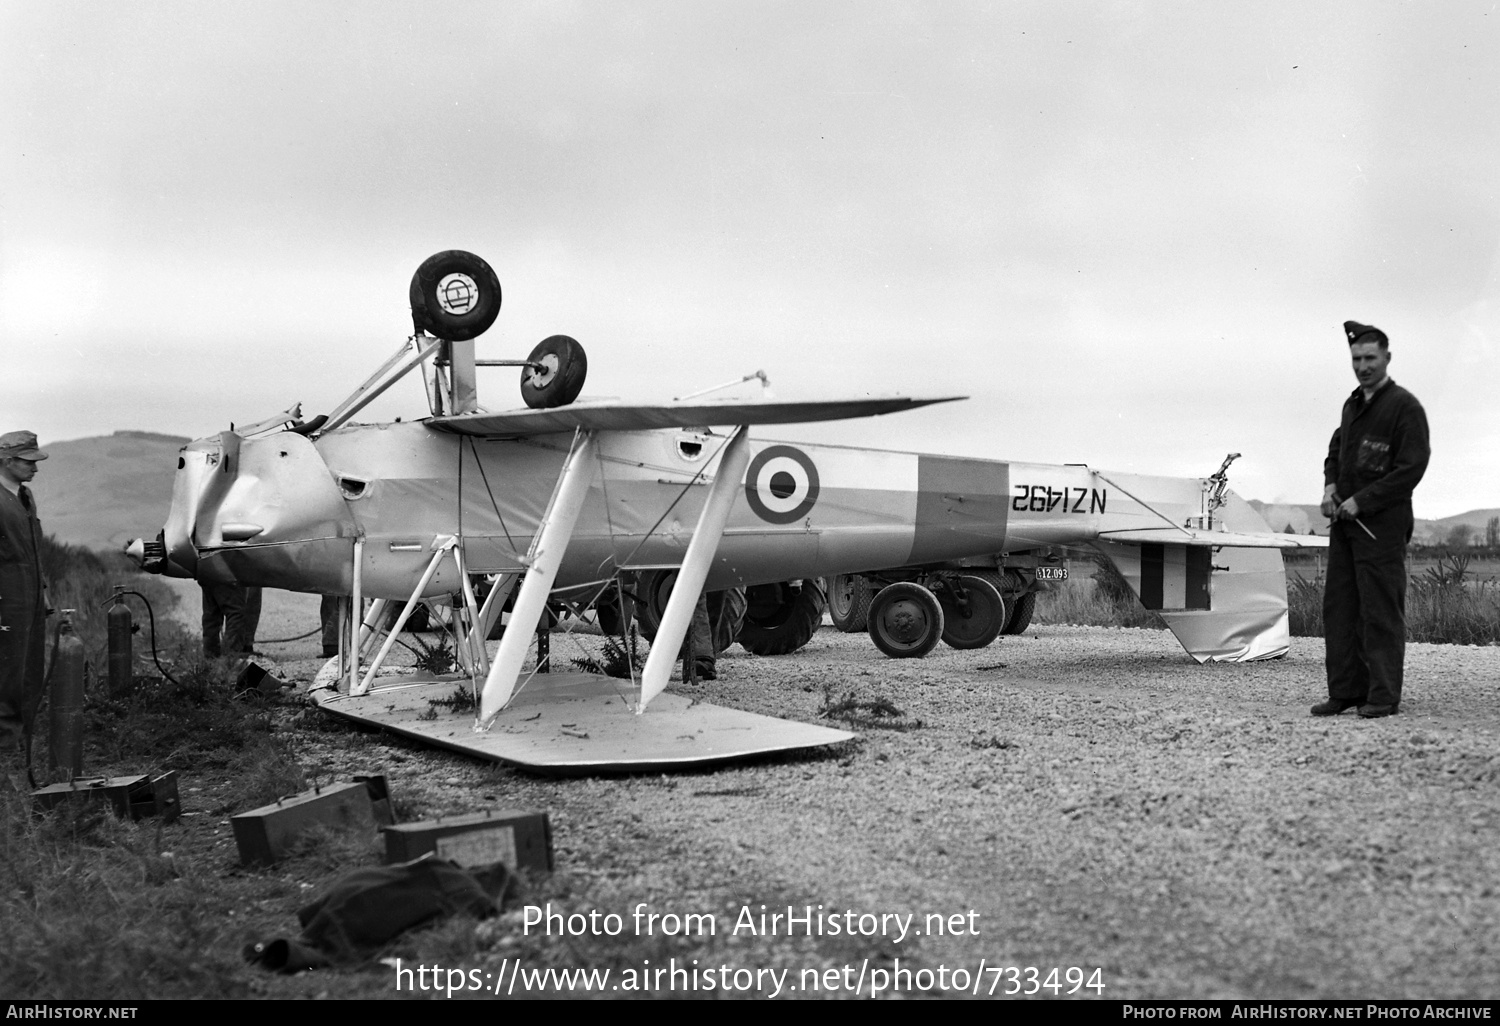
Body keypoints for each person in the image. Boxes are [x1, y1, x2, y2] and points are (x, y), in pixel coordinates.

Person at [1313, 320, 1429, 719]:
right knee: (1341, 609)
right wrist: (1330, 487)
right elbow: (1335, 449)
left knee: (1379, 611)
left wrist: (1363, 501)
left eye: (1370, 358)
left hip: (1382, 526)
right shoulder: (1352, 405)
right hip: (1344, 527)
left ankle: (1382, 696)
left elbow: (1412, 467)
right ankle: (1345, 691)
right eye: (1356, 359)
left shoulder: (1404, 407)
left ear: (1387, 358)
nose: (1363, 366)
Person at [0, 430, 49, 783]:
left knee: (31, 667)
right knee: (8, 670)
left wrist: (43, 591)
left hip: (31, 594)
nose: (35, 468)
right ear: (7, 461)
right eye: (28, 461)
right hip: (7, 595)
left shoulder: (25, 496)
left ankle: (22, 742)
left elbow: (33, 552)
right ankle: (5, 747)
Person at [200, 581, 262, 658]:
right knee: (236, 613)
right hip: (230, 575)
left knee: (211, 614)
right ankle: (230, 656)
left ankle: (210, 656)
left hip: (206, 573)